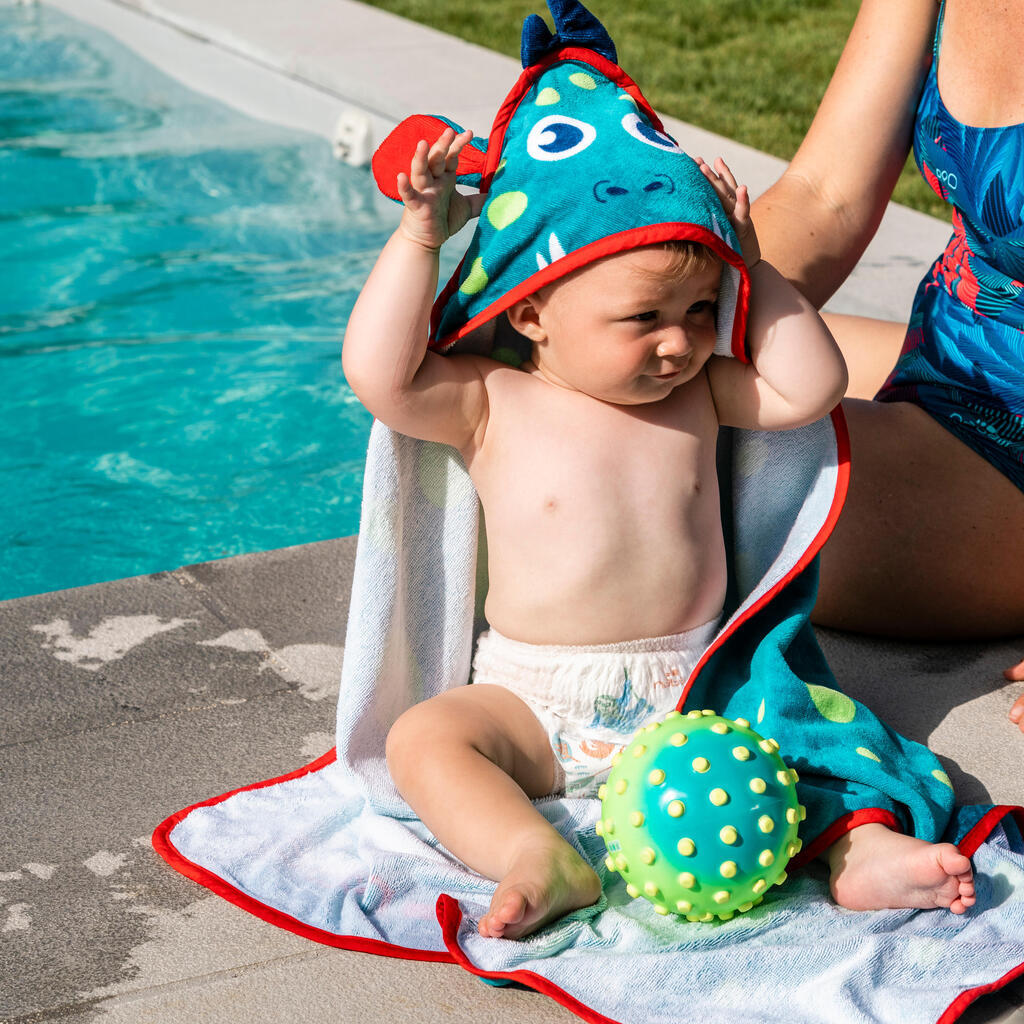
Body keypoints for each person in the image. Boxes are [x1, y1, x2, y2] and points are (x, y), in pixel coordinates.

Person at [342, 120, 976, 940]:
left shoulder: (702, 394)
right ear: (531, 312)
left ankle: (859, 855)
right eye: (643, 318)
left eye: (700, 309)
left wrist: (753, 265)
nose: (678, 341)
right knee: (424, 740)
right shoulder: (489, 401)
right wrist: (418, 235)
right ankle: (536, 854)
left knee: (822, 744)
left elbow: (812, 385)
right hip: (536, 700)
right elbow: (378, 372)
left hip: (703, 687)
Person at [749, 0, 1024, 731]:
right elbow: (824, 197)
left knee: (664, 459)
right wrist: (662, 299)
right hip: (954, 354)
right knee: (596, 366)